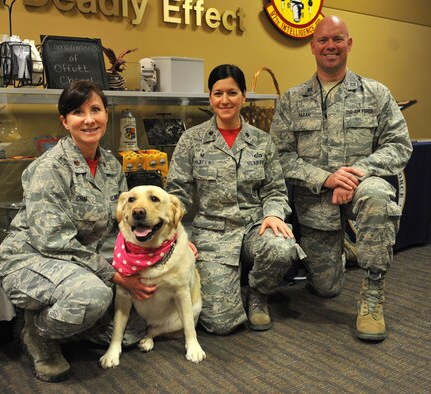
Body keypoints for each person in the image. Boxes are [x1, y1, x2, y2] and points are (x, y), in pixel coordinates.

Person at [0, 80, 154, 382]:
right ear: (65, 121)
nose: (89, 119)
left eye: (96, 109)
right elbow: (54, 241)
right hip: (30, 260)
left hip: (79, 264)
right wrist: (116, 276)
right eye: (78, 112)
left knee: (131, 333)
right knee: (92, 297)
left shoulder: (110, 165)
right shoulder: (50, 167)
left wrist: (169, 244)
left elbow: (124, 222)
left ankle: (71, 321)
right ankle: (37, 333)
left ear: (106, 114)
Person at [270, 15, 412, 341]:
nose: (330, 46)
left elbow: (399, 145)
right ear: (312, 47)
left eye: (337, 39)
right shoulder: (293, 99)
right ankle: (348, 249)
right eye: (323, 40)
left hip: (364, 184)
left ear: (349, 43)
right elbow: (278, 156)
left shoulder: (376, 93)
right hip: (317, 200)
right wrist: (326, 178)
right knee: (326, 289)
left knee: (378, 198)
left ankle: (373, 292)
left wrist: (356, 173)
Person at [166, 64, 305, 335]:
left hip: (254, 226)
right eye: (218, 93)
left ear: (244, 96)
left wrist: (274, 214)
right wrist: (176, 235)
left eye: (232, 92)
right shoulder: (192, 140)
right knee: (220, 324)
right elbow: (177, 192)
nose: (225, 100)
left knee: (282, 248)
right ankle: (231, 298)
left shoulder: (262, 142)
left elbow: (275, 189)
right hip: (213, 232)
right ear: (210, 98)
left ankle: (258, 294)